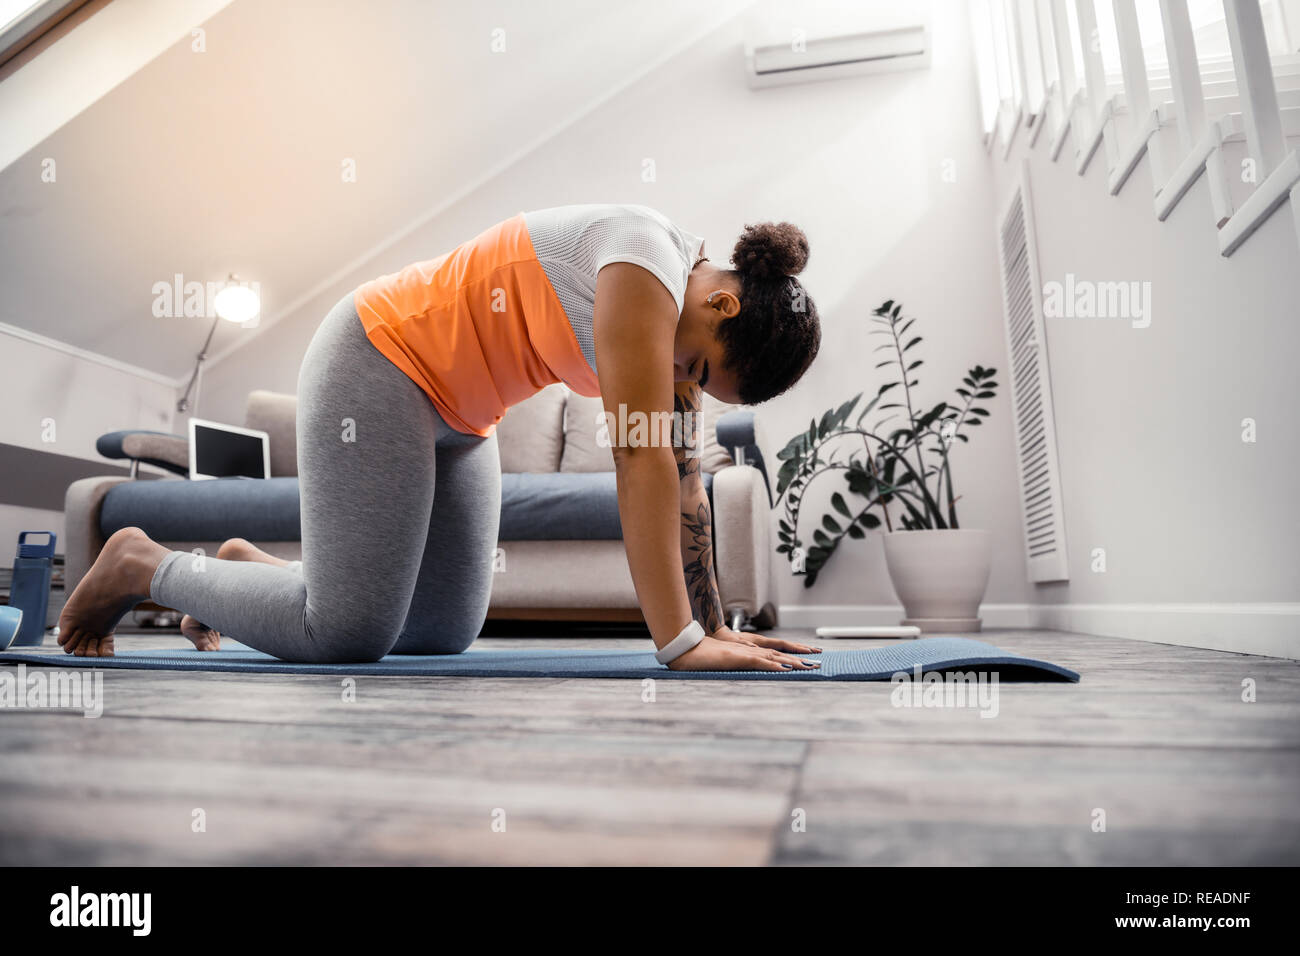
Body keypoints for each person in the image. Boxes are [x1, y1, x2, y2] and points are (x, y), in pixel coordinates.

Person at [58, 203, 822, 671]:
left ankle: (249, 574)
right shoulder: (642, 268)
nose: (681, 377)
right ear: (721, 303)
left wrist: (719, 628)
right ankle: (143, 564)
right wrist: (679, 643)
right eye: (695, 366)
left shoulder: (685, 306)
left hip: (463, 419)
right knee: (346, 638)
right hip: (381, 359)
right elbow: (640, 458)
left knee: (438, 634)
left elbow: (685, 476)